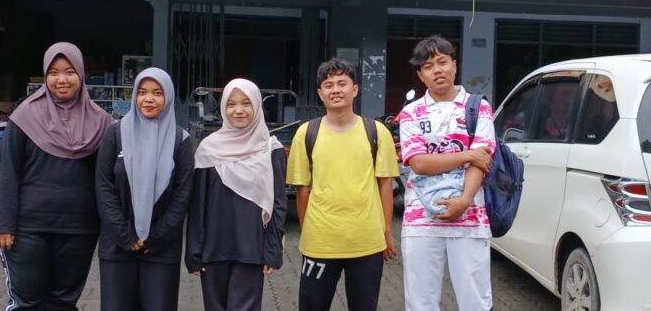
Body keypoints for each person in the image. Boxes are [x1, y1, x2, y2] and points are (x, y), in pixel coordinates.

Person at [0, 42, 115, 310]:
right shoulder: (24, 117)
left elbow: (107, 179)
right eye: (54, 73)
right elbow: (9, 173)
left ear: (81, 74)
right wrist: (3, 224)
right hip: (28, 229)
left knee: (63, 302)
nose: (62, 80)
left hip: (79, 229)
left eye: (70, 72)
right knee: (27, 302)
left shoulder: (101, 122)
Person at [286, 58, 400, 311]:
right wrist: (308, 232)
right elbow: (302, 189)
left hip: (367, 241)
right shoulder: (306, 133)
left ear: (355, 89)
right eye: (328, 85)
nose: (335, 90)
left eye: (342, 83)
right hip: (320, 242)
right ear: (320, 93)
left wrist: (387, 232)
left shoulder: (376, 131)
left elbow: (385, 185)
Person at [398, 35, 495, 311]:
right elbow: (419, 163)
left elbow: (482, 160)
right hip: (420, 221)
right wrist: (467, 154)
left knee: (475, 302)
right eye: (428, 66)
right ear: (421, 75)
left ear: (454, 65)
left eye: (442, 62)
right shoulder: (411, 112)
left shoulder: (478, 107)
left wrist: (464, 201)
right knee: (420, 302)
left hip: (470, 218)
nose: (437, 70)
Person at [95, 67, 194, 311]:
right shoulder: (114, 134)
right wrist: (126, 235)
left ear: (168, 97)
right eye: (142, 92)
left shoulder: (180, 141)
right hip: (117, 246)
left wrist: (154, 238)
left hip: (161, 249)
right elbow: (103, 188)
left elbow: (182, 197)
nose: (148, 99)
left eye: (157, 93)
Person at [185, 78, 287, 311]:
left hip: (252, 249)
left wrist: (273, 250)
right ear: (223, 108)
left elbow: (278, 204)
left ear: (257, 106)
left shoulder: (271, 149)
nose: (238, 110)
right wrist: (194, 252)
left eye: (246, 103)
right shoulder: (208, 149)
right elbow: (197, 206)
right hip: (213, 250)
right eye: (231, 104)